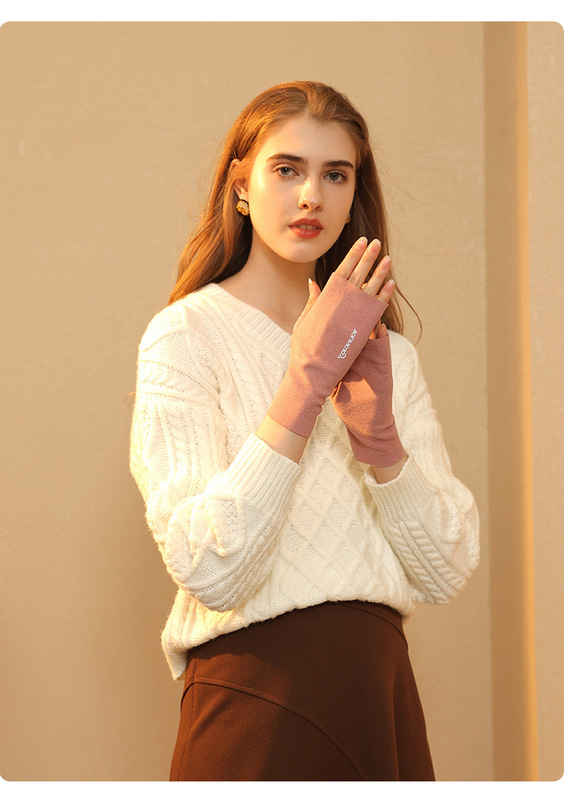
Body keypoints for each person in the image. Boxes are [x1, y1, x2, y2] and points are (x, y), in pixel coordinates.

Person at [129, 80, 480, 781]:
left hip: (378, 696)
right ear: (242, 185)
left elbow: (445, 566)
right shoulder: (185, 337)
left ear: (353, 195)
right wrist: (304, 386)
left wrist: (380, 440)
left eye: (335, 174)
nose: (312, 196)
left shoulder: (389, 355)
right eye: (287, 169)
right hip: (256, 699)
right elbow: (209, 568)